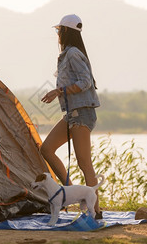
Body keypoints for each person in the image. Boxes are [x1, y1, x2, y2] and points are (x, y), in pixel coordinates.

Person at [40, 14, 102, 218]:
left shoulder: (73, 53)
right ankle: (72, 194)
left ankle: (96, 211)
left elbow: (85, 82)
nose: (57, 34)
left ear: (65, 32)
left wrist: (59, 91)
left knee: (84, 163)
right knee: (47, 149)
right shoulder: (68, 54)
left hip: (82, 112)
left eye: (59, 30)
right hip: (72, 113)